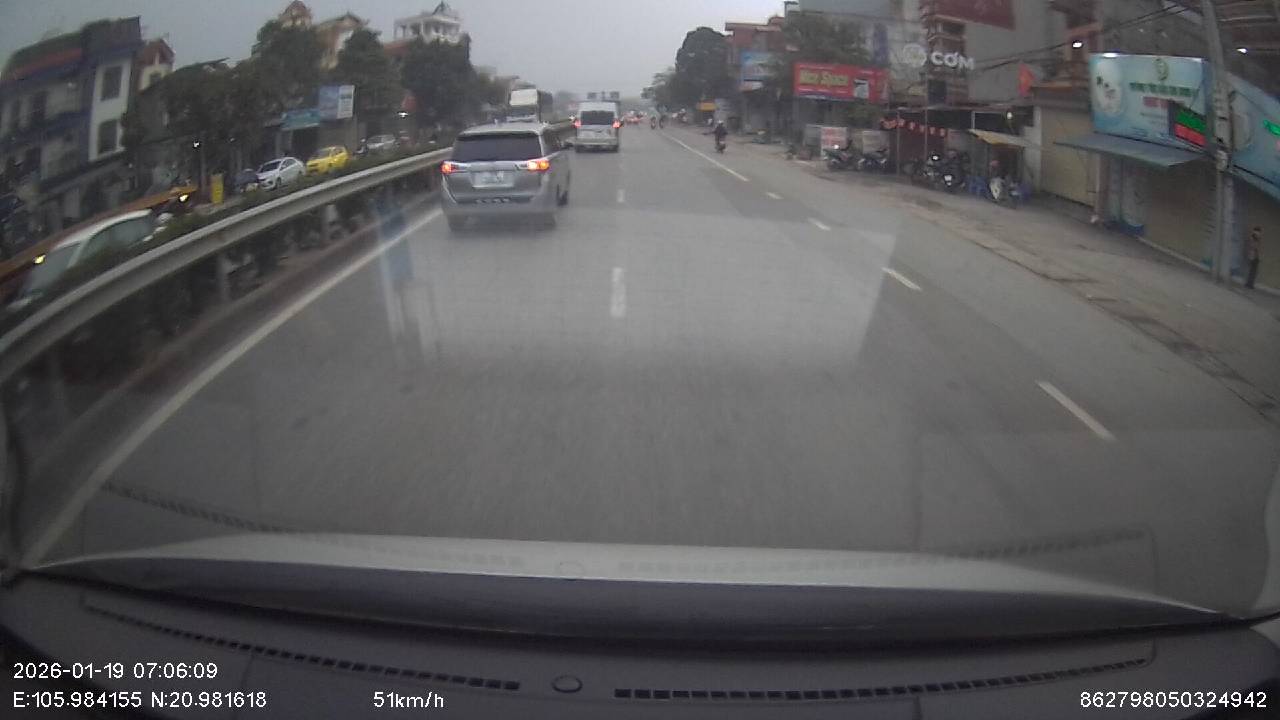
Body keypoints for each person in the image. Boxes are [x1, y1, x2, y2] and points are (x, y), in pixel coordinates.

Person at [1245, 225, 1262, 289]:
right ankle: (1249, 284)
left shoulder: (1254, 237)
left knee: (1252, 271)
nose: (1259, 234)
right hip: (1253, 256)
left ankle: (1249, 283)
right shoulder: (1254, 237)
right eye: (1259, 232)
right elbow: (1254, 247)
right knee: (1252, 271)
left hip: (1253, 256)